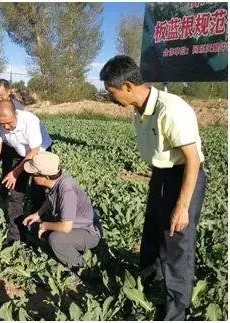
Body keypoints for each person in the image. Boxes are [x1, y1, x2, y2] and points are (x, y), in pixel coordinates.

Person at [100, 55, 207, 321]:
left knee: (177, 243)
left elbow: (192, 160)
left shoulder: (171, 109)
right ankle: (149, 285)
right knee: (152, 232)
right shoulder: (139, 110)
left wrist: (182, 207)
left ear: (127, 87)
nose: (111, 98)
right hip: (162, 174)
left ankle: (176, 311)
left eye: (112, 92)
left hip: (184, 176)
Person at [0, 100, 52, 246]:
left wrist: (15, 173)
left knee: (38, 191)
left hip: (39, 153)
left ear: (15, 113)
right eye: (2, 124)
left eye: (9, 123)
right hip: (19, 152)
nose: (6, 127)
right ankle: (15, 237)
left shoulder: (30, 121)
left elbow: (34, 152)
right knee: (15, 194)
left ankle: (37, 230)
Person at [22, 151, 102, 272]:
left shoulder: (66, 190)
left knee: (56, 239)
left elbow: (65, 227)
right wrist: (37, 214)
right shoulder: (55, 181)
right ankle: (64, 251)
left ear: (44, 177)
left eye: (33, 174)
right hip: (72, 225)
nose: (31, 177)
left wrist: (44, 226)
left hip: (88, 232)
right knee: (32, 225)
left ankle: (79, 268)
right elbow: (50, 199)